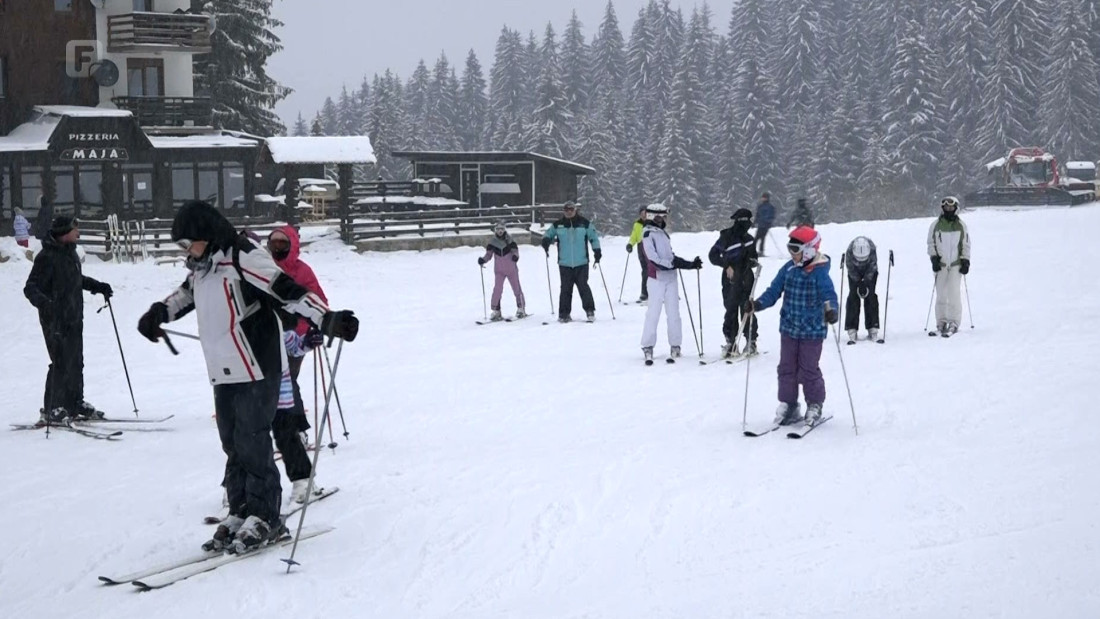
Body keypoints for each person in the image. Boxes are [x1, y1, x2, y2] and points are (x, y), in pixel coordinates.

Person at [136, 201, 359, 553]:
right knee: (233, 442)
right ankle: (240, 510)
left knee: (254, 441)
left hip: (256, 361)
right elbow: (186, 294)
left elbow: (285, 289)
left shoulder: (242, 255)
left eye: (187, 242)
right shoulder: (203, 266)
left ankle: (266, 516)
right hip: (222, 366)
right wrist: (159, 312)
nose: (185, 250)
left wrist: (326, 318)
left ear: (206, 234)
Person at [745, 226, 839, 427]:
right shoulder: (788, 269)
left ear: (809, 250)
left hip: (812, 331)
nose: (792, 255)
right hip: (789, 328)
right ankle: (789, 404)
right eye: (789, 249)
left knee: (808, 369)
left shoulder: (819, 272)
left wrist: (832, 311)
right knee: (786, 368)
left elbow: (829, 296)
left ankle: (815, 404)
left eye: (795, 250)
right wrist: (757, 304)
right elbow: (774, 291)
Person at [23, 216, 113, 424]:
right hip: (54, 319)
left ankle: (74, 403)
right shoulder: (46, 257)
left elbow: (75, 280)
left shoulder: (70, 253)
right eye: (75, 229)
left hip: (74, 316)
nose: (78, 233)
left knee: (76, 361)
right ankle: (51, 408)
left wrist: (98, 286)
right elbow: (30, 287)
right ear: (64, 232)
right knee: (60, 362)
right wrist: (46, 304)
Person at [267, 226, 329, 503]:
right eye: (274, 243)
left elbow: (319, 301)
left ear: (292, 245)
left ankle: (297, 430)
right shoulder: (263, 267)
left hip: (297, 335)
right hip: (267, 338)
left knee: (287, 382)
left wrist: (307, 328)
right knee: (283, 387)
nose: (278, 247)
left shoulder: (302, 271)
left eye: (283, 243)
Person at [639, 203, 702, 363]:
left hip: (671, 279)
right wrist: (669, 265)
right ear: (653, 217)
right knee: (653, 313)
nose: (663, 220)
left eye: (664, 217)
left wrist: (690, 264)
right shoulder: (647, 234)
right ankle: (648, 345)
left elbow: (671, 257)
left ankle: (675, 345)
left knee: (674, 314)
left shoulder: (663, 234)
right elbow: (652, 259)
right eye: (660, 217)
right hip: (656, 279)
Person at [709, 208, 759, 358]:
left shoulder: (749, 239)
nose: (749, 224)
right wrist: (726, 265)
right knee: (730, 309)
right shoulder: (726, 237)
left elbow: (754, 258)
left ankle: (751, 341)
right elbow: (712, 255)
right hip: (730, 279)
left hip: (746, 277)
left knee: (747, 308)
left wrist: (752, 263)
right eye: (747, 221)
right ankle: (731, 342)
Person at [541, 200, 602, 322]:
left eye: (571, 210)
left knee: (583, 287)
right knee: (565, 289)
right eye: (566, 210)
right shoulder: (558, 224)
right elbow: (548, 234)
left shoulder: (584, 223)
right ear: (563, 211)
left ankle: (590, 311)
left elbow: (593, 237)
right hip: (564, 263)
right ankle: (564, 314)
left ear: (575, 210)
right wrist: (546, 241)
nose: (569, 212)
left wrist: (597, 251)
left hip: (582, 262)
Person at [928, 196, 970, 336]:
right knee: (941, 294)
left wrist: (965, 260)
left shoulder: (961, 225)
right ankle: (941, 321)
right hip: (941, 265)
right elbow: (931, 243)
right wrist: (934, 258)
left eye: (951, 207)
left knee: (953, 294)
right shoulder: (936, 225)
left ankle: (954, 321)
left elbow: (966, 244)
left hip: (955, 265)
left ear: (956, 208)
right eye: (946, 207)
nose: (948, 209)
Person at [478, 223, 526, 320]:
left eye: (502, 229)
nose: (500, 231)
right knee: (497, 290)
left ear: (504, 230)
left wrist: (515, 256)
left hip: (511, 269)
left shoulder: (510, 240)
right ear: (495, 230)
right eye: (498, 229)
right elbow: (488, 255)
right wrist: (483, 260)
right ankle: (496, 310)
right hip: (499, 270)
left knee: (516, 288)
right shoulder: (493, 242)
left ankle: (521, 308)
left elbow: (515, 251)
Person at [843, 236, 880, 343]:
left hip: (870, 271)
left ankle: (873, 326)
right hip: (854, 272)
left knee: (871, 295)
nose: (861, 261)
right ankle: (852, 327)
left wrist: (866, 282)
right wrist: (858, 282)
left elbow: (873, 266)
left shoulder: (872, 249)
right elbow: (850, 268)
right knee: (853, 296)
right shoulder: (850, 251)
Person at [626, 208, 648, 302]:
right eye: (642, 213)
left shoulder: (651, 223)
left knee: (653, 270)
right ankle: (644, 293)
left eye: (645, 213)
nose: (644, 215)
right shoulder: (637, 224)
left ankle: (658, 292)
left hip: (650, 246)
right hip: (641, 247)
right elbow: (634, 235)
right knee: (645, 270)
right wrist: (630, 244)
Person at [754, 192, 776, 256]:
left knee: (762, 238)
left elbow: (772, 216)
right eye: (762, 197)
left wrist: (769, 222)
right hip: (760, 225)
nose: (763, 199)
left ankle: (761, 251)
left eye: (764, 198)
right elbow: (757, 215)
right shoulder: (760, 206)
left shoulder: (770, 207)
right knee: (757, 238)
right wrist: (755, 222)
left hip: (765, 225)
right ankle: (753, 250)